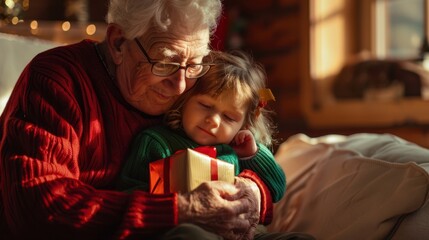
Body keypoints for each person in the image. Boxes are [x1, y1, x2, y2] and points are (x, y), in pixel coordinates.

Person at [0, 0, 315, 239]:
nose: (180, 86)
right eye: (165, 63)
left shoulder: (190, 90)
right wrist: (181, 210)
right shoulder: (58, 80)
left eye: (196, 63)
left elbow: (235, 150)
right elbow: (37, 208)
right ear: (119, 43)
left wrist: (250, 192)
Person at [117, 50, 286, 208]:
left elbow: (277, 189)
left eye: (228, 117)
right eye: (205, 105)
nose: (213, 120)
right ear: (185, 99)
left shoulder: (237, 151)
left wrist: (252, 154)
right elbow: (130, 192)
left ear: (244, 125)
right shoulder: (156, 142)